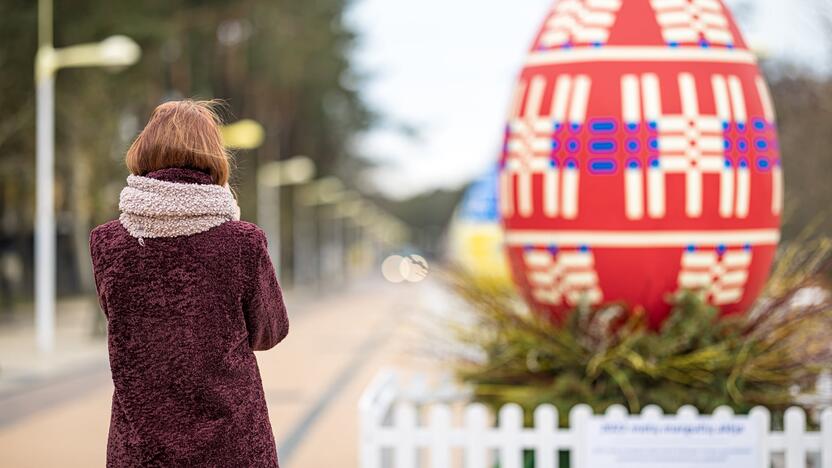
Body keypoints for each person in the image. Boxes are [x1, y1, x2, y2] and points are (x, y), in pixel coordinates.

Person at [89, 100, 288, 467]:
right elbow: (270, 331)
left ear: (144, 151)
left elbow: (123, 324)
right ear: (214, 156)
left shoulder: (106, 242)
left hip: (140, 447)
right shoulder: (243, 241)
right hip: (232, 445)